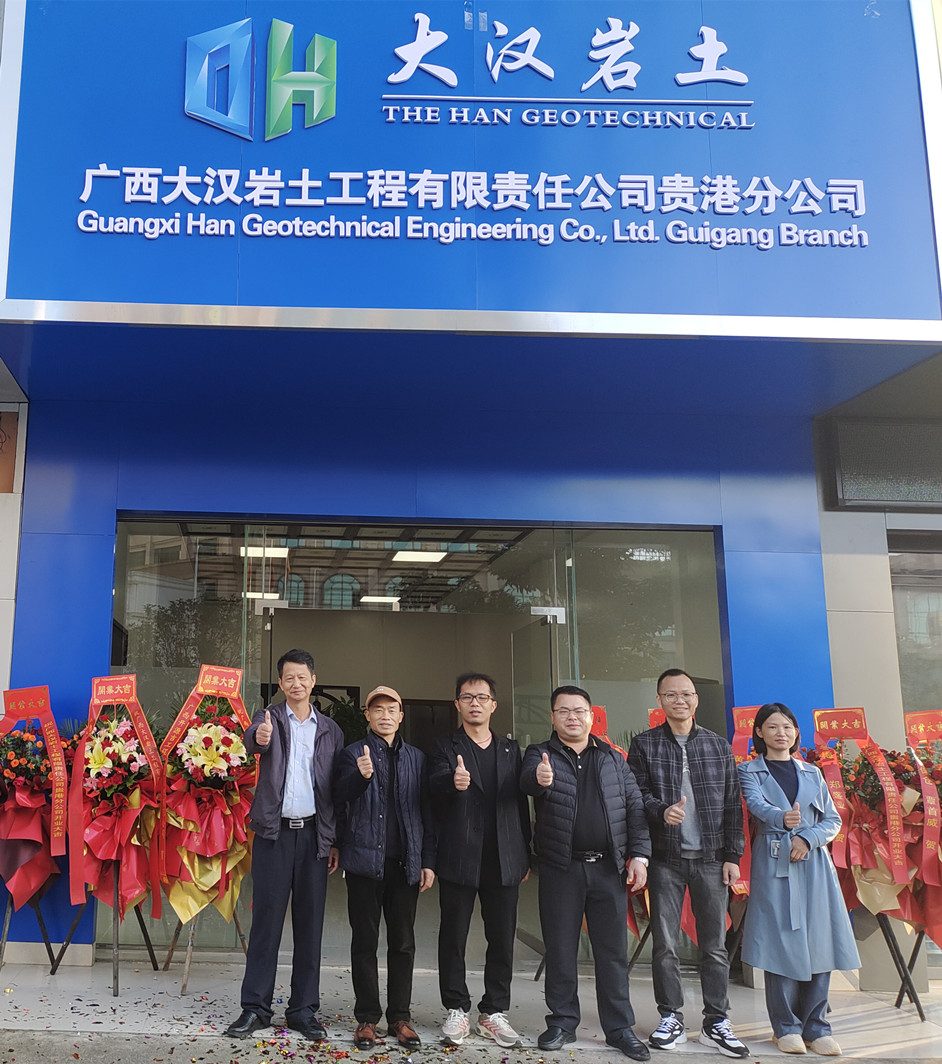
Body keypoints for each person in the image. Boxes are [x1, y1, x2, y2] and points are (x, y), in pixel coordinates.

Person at [521, 685, 652, 1061]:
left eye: (579, 711)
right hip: (561, 868)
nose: (572, 717)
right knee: (561, 949)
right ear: (553, 717)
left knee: (612, 953)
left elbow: (635, 808)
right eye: (563, 711)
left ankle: (619, 1028)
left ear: (592, 717)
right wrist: (540, 779)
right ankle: (562, 1022)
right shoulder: (540, 754)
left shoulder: (613, 758)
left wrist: (640, 856)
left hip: (609, 869)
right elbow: (526, 781)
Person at [627, 669, 748, 1058]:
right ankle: (671, 1017)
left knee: (714, 945)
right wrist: (662, 811)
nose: (679, 700)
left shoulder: (717, 745)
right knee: (665, 944)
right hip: (665, 859)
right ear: (659, 700)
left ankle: (716, 1021)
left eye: (686, 694)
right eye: (671, 695)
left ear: (696, 699)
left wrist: (733, 857)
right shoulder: (644, 744)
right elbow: (636, 796)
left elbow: (732, 805)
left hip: (711, 860)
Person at [225, 650, 344, 1041]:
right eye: (289, 677)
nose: (296, 683)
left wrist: (333, 840)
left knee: (310, 927)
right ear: (280, 683)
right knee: (266, 924)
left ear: (313, 680)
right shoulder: (269, 719)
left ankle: (303, 1010)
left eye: (302, 677)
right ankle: (255, 1008)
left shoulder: (330, 730)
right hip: (274, 836)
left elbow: (335, 789)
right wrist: (258, 738)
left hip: (313, 836)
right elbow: (252, 741)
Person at [738, 703, 859, 1056]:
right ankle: (785, 1027)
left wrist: (807, 838)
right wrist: (782, 819)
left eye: (787, 727)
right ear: (759, 732)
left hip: (813, 863)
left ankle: (817, 1027)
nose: (781, 733)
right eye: (773, 727)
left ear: (796, 732)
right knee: (780, 942)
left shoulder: (812, 772)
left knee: (820, 940)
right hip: (774, 861)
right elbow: (755, 805)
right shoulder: (749, 770)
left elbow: (832, 819)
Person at [429, 672, 531, 1048]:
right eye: (467, 697)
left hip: (504, 857)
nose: (475, 703)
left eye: (482, 697)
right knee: (453, 936)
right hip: (459, 854)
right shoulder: (444, 746)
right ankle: (456, 1008)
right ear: (457, 704)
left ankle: (494, 1011)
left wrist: (524, 853)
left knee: (501, 938)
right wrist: (450, 783)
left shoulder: (510, 749)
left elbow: (520, 806)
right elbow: (431, 790)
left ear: (493, 705)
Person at [332, 686, 436, 1050]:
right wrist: (359, 777)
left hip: (405, 864)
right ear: (368, 715)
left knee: (403, 943)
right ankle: (367, 1018)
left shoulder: (417, 759)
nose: (385, 715)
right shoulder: (352, 753)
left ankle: (399, 1018)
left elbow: (426, 813)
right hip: (364, 863)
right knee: (364, 941)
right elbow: (338, 798)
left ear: (401, 716)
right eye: (378, 709)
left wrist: (427, 860)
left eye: (392, 709)